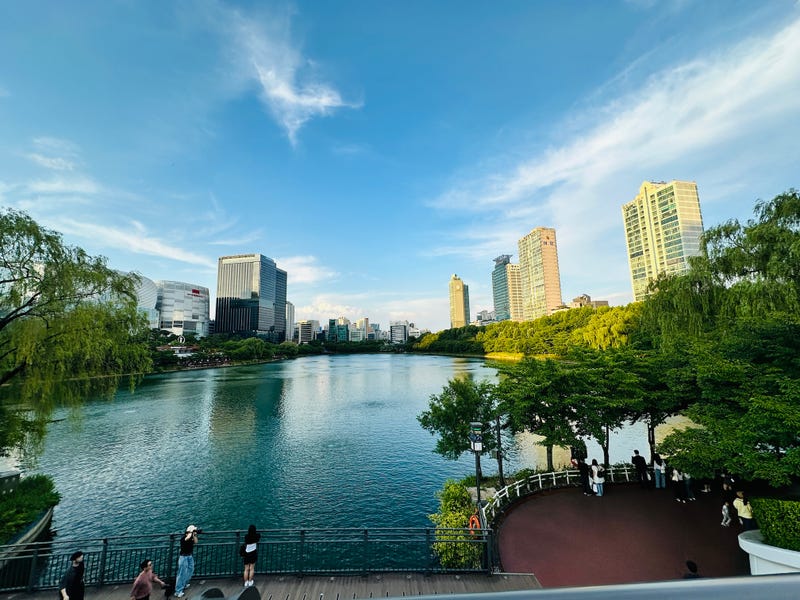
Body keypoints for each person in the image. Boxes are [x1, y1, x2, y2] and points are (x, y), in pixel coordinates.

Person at [175, 525, 199, 598]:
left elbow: (196, 542)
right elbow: (187, 538)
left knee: (190, 570)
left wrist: (194, 535)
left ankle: (185, 583)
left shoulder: (191, 537)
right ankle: (178, 591)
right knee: (182, 573)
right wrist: (191, 532)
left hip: (189, 556)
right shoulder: (183, 539)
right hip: (183, 557)